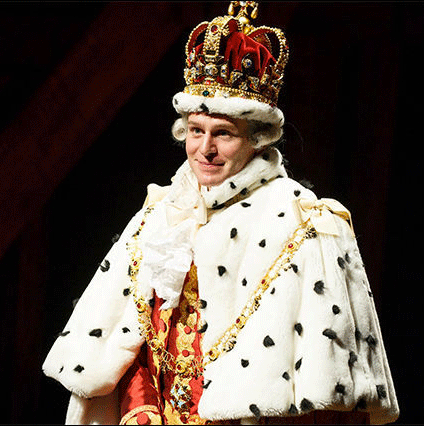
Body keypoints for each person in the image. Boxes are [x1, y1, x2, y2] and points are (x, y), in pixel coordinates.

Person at [43, 2, 399, 424]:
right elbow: (135, 347)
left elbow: (324, 397)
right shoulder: (159, 215)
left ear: (258, 139)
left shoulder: (306, 225)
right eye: (196, 131)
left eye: (224, 134)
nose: (205, 149)